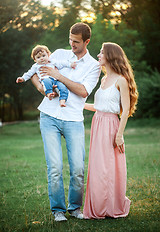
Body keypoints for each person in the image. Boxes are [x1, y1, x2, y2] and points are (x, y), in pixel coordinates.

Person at [30, 23, 100, 221]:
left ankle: (75, 208)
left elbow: (83, 91)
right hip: (49, 116)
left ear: (86, 41)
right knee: (54, 167)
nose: (72, 44)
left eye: (76, 42)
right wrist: (42, 89)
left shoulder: (94, 66)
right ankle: (58, 210)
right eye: (70, 39)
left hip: (73, 119)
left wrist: (58, 76)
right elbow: (36, 72)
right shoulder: (59, 54)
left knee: (78, 168)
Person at [83, 42, 138, 219]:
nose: (98, 55)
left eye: (101, 53)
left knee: (110, 167)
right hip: (97, 124)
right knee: (98, 167)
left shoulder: (121, 80)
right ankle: (98, 206)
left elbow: (125, 110)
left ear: (110, 56)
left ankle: (111, 206)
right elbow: (100, 106)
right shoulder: (104, 79)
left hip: (111, 126)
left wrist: (119, 135)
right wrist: (79, 105)